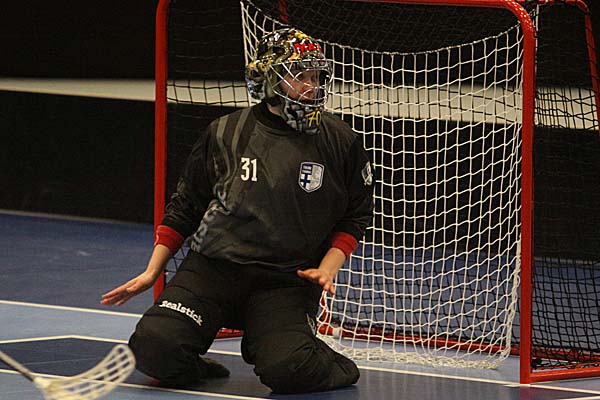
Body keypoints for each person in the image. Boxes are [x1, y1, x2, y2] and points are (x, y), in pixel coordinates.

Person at [101, 27, 374, 394]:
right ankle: (195, 363)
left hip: (285, 279)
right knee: (154, 349)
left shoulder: (339, 140)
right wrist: (153, 271)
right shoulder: (225, 132)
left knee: (288, 369)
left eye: (315, 76)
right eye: (299, 76)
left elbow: (356, 213)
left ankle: (305, 352)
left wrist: (328, 267)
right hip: (213, 269)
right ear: (268, 79)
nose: (311, 86)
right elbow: (186, 205)